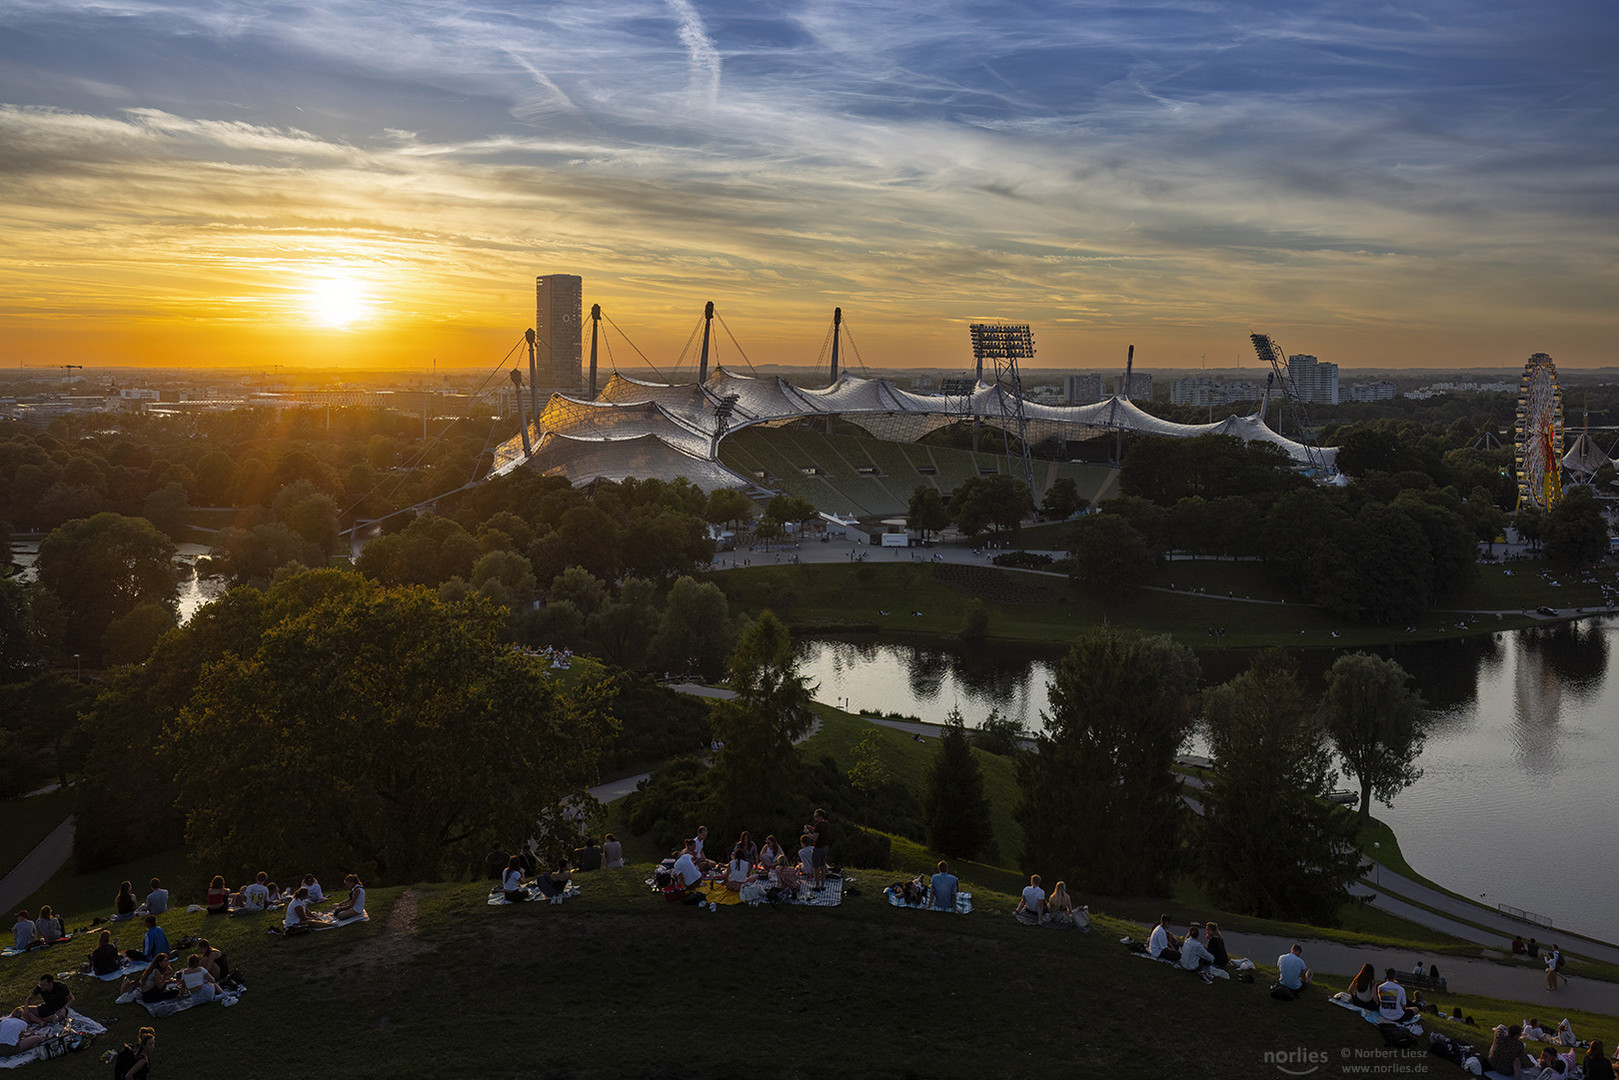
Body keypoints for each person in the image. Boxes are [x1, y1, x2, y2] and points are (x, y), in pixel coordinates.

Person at [808, 809, 831, 891]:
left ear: (820, 817)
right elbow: (820, 832)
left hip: (818, 848)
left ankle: (817, 886)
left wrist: (807, 832)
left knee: (816, 868)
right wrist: (812, 828)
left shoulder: (818, 825)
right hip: (825, 847)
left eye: (816, 816)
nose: (814, 817)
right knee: (822, 867)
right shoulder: (825, 823)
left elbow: (814, 838)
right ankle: (823, 886)